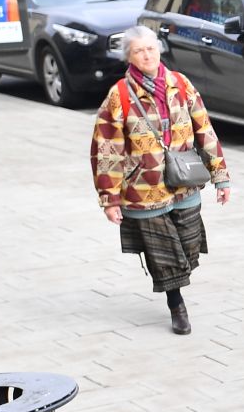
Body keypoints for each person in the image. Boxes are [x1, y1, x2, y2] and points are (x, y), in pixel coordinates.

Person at [88, 24, 232, 335]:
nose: (146, 54)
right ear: (129, 56)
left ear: (159, 50)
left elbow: (204, 130)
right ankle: (176, 304)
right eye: (138, 50)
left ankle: (177, 281)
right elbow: (107, 149)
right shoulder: (120, 95)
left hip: (184, 180)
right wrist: (109, 199)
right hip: (142, 189)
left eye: (150, 48)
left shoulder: (180, 84)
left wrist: (220, 176)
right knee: (164, 252)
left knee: (189, 245)